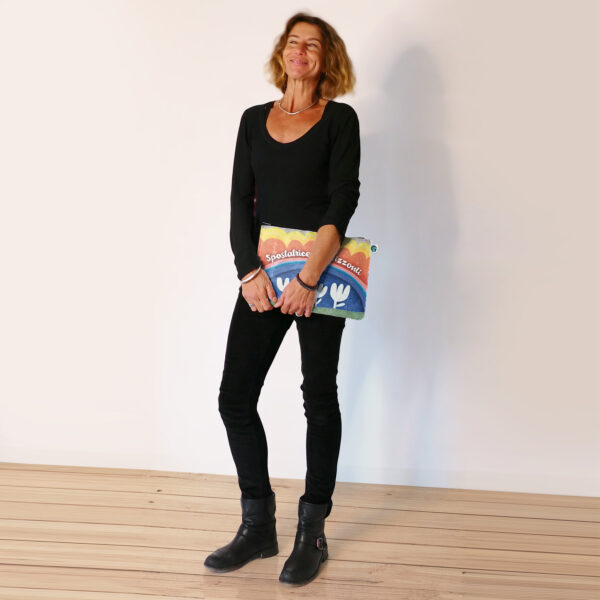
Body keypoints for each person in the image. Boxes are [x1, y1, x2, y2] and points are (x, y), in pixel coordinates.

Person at [204, 11, 361, 586]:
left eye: (312, 45)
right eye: (293, 42)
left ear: (326, 58)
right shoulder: (253, 120)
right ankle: (258, 527)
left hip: (321, 276)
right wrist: (248, 271)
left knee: (318, 397)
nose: (300, 51)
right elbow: (239, 202)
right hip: (264, 278)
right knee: (234, 398)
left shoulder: (340, 120)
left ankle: (311, 532)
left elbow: (342, 201)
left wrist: (309, 279)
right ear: (282, 52)